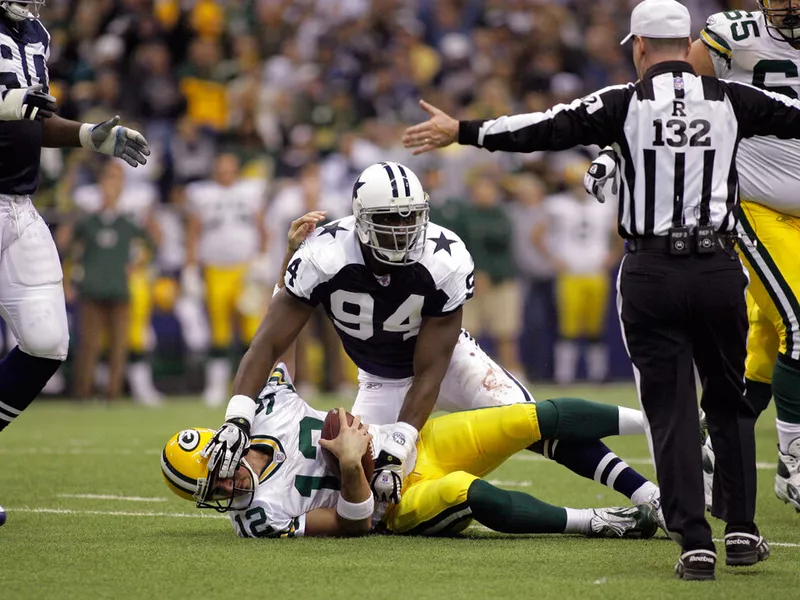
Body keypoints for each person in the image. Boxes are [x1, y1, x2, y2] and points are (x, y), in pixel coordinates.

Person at [400, 0, 800, 580]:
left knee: (671, 411)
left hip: (652, 271)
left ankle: (695, 539)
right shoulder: (733, 99)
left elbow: (542, 127)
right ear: (686, 43)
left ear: (639, 46)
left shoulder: (624, 102)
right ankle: (742, 529)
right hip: (717, 267)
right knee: (730, 401)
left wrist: (462, 131)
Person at [201, 161, 663, 524]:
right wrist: (237, 417)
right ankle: (598, 514)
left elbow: (432, 368)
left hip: (448, 362)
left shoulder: (444, 256)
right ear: (361, 221)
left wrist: (401, 442)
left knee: (529, 425)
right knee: (378, 501)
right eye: (389, 219)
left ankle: (650, 494)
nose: (403, 228)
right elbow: (267, 343)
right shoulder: (323, 255)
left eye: (410, 217)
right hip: (380, 379)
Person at [0, 0, 150, 433]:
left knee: (46, 341)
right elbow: (13, 105)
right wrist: (10, 104)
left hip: (18, 202)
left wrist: (88, 135)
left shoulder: (35, 32)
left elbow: (34, 115)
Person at [684, 1, 800, 514]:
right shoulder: (734, 34)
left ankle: (713, 449)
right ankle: (794, 464)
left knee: (770, 337)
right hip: (757, 204)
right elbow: (672, 91)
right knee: (799, 324)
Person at [61, 160, 154, 400]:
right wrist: (68, 282)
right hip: (91, 288)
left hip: (119, 288)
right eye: (108, 183)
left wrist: (138, 262)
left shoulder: (128, 222)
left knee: (118, 346)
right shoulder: (87, 221)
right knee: (89, 345)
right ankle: (83, 393)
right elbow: (67, 248)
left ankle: (113, 393)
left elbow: (151, 244)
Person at [184, 152, 268, 406]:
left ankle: (253, 387)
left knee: (253, 330)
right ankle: (217, 385)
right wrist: (190, 267)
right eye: (221, 170)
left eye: (230, 170)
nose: (225, 175)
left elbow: (262, 227)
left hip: (245, 269)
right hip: (215, 269)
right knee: (219, 330)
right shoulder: (202, 194)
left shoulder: (250, 191)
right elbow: (193, 231)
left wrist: (262, 258)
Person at [536, 160, 620, 384]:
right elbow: (537, 235)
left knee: (595, 327)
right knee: (568, 327)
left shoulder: (604, 204)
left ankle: (598, 375)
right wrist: (554, 260)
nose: (579, 188)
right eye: (575, 183)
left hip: (595, 273)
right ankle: (565, 376)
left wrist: (612, 258)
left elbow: (618, 234)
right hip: (570, 274)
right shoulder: (556, 204)